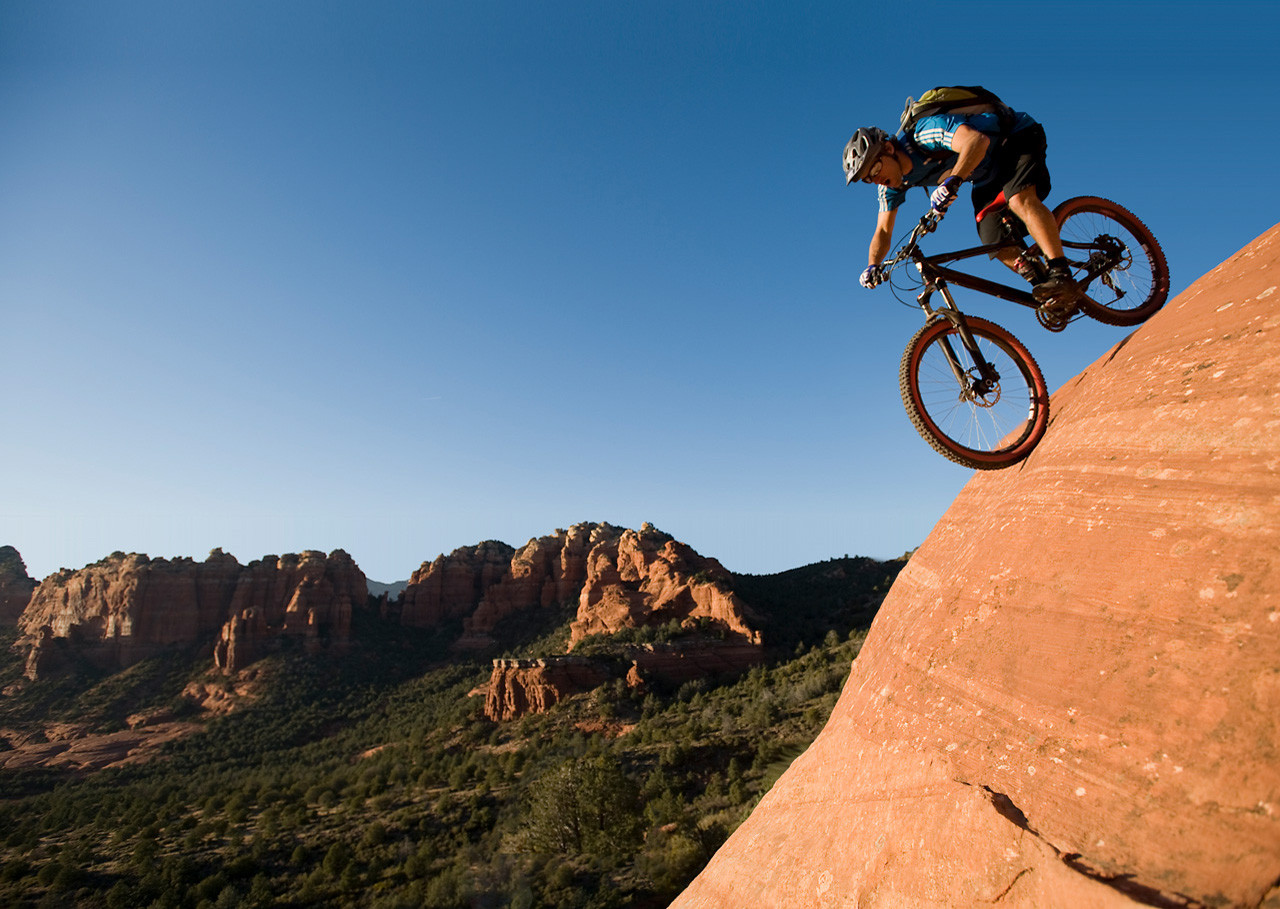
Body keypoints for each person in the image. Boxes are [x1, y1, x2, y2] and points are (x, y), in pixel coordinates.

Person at [844, 100, 1079, 307]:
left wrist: (953, 181)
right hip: (988, 174)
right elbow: (883, 231)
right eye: (867, 179)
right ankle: (1048, 288)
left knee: (1018, 199)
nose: (875, 179)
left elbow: (976, 141)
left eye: (875, 168)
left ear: (888, 148)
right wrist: (873, 265)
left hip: (1015, 138)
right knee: (992, 239)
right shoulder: (890, 186)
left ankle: (1061, 273)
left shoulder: (925, 134)